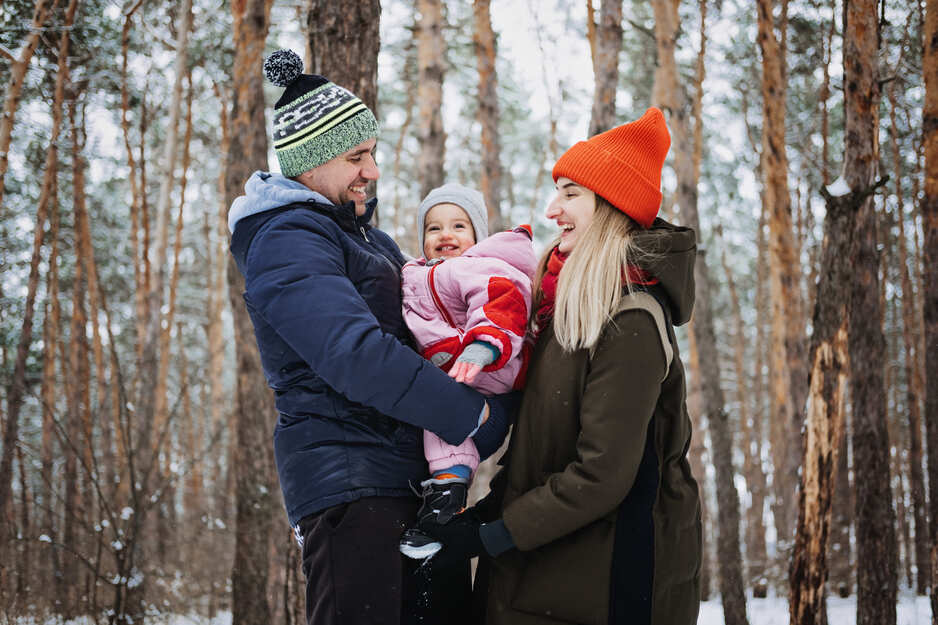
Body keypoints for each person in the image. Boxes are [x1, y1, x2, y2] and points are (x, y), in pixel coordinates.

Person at [228, 49, 511, 625]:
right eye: (358, 156)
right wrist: (471, 417)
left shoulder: (368, 240)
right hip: (353, 486)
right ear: (311, 163)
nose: (373, 170)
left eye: (373, 154)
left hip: (413, 482)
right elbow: (353, 355)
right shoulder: (286, 238)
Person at [422, 108, 702, 625]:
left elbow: (602, 473)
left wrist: (492, 535)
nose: (553, 209)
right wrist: (479, 518)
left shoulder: (630, 319)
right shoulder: (563, 310)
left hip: (606, 576)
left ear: (612, 205)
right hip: (555, 566)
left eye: (571, 193)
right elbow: (541, 453)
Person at [396, 184, 536, 559]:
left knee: (439, 410)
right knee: (437, 421)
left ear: (477, 235)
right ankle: (445, 496)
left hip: (490, 362)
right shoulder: (414, 274)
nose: (445, 235)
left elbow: (500, 302)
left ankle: (446, 493)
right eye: (434, 228)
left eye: (458, 226)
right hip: (455, 372)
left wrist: (484, 345)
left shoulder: (479, 267)